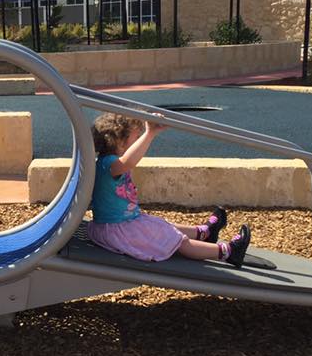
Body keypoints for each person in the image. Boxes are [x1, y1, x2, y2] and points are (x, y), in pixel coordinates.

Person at [87, 112, 251, 268]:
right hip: (119, 230)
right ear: (119, 142)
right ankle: (228, 252)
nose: (139, 140)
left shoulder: (108, 161)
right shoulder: (108, 164)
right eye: (136, 137)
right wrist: (149, 133)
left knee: (162, 227)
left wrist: (150, 132)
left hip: (121, 224)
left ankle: (205, 233)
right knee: (178, 241)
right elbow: (128, 162)